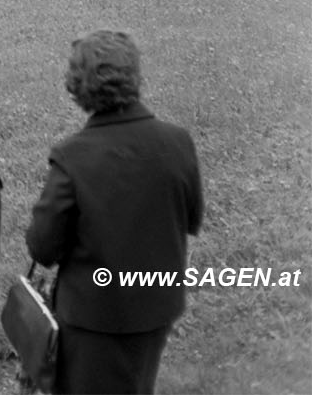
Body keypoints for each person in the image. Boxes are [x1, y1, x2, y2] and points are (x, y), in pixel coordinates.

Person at [26, 31, 203, 395]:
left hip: (93, 318)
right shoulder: (177, 141)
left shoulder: (73, 156)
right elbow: (191, 219)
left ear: (77, 87)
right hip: (156, 306)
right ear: (134, 78)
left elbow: (42, 247)